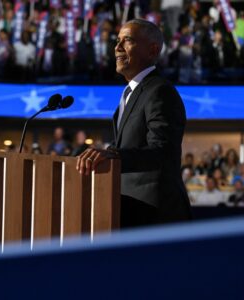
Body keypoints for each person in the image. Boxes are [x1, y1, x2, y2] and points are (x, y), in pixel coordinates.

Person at [76, 19, 191, 227]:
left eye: (127, 40)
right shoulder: (130, 92)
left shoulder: (160, 91)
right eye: (117, 41)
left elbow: (162, 152)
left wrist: (114, 154)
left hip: (156, 215)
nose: (117, 47)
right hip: (130, 209)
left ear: (152, 49)